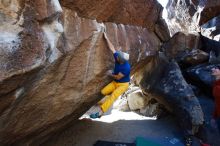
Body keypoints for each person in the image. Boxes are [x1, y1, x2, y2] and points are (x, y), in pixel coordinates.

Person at [90, 33, 131, 119]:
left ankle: (100, 113)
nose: (116, 57)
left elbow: (118, 77)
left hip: (123, 85)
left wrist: (110, 74)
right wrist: (106, 37)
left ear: (122, 60)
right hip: (115, 82)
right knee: (103, 92)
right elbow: (112, 48)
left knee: (112, 97)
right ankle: (108, 101)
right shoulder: (118, 57)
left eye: (118, 57)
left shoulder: (126, 67)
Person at [211, 68, 220, 132]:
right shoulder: (215, 84)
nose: (213, 69)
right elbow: (217, 102)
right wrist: (214, 117)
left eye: (216, 68)